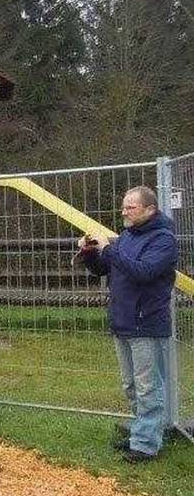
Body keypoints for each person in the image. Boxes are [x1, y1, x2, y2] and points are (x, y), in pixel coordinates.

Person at [76, 185, 178, 463]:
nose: (124, 212)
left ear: (149, 209)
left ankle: (146, 445)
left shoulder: (163, 240)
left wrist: (109, 248)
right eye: (123, 207)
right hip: (122, 321)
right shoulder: (126, 237)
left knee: (148, 387)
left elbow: (143, 272)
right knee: (131, 386)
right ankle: (140, 433)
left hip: (147, 323)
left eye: (130, 207)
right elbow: (104, 268)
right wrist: (89, 253)